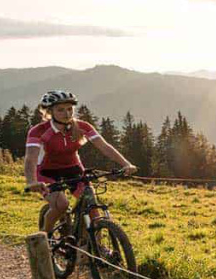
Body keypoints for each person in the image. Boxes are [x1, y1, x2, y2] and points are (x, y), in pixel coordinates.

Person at [24, 90, 136, 233]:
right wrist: (31, 181)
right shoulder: (38, 131)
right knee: (61, 204)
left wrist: (126, 164)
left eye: (70, 109)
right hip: (47, 172)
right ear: (50, 111)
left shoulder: (82, 127)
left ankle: (97, 248)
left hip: (73, 169)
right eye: (60, 110)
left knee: (92, 208)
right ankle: (44, 237)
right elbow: (31, 158)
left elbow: (105, 147)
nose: (67, 113)